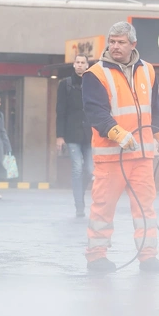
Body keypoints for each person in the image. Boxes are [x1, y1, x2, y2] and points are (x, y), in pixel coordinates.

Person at [82, 21, 159, 274]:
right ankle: (96, 256)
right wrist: (118, 133)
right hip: (111, 158)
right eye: (112, 41)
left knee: (145, 209)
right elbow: (95, 112)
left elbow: (156, 109)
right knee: (103, 208)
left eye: (121, 42)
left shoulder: (148, 71)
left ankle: (148, 256)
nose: (115, 46)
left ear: (133, 45)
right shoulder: (96, 74)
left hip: (142, 156)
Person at [56, 54, 94, 217]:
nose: (79, 65)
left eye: (82, 63)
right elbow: (60, 111)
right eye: (77, 62)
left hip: (90, 134)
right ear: (74, 65)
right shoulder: (65, 84)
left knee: (90, 169)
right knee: (77, 168)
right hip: (71, 134)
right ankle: (79, 205)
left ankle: (81, 195)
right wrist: (59, 136)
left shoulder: (93, 83)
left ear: (87, 65)